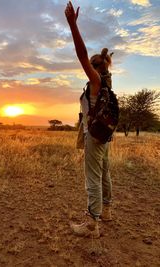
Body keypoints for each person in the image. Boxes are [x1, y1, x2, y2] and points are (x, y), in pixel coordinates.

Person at [65, 1, 113, 238]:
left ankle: (92, 224)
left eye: (89, 67)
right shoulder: (107, 82)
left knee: (92, 177)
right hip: (105, 136)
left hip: (94, 136)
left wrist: (73, 25)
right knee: (104, 172)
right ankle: (106, 211)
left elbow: (81, 55)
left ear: (94, 68)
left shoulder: (95, 83)